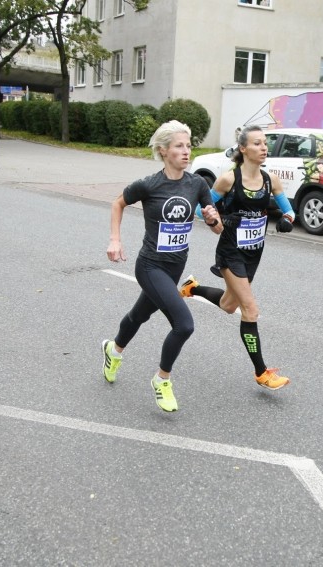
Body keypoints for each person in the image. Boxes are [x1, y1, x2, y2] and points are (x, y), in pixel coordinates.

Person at [102, 120, 223, 412]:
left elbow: (218, 228)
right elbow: (118, 203)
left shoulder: (197, 184)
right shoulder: (149, 184)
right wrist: (115, 240)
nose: (186, 151)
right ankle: (162, 380)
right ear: (163, 150)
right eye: (179, 146)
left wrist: (212, 219)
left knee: (139, 315)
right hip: (150, 266)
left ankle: (113, 350)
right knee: (184, 325)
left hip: (174, 267)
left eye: (189, 145)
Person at [179, 125, 295, 391]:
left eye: (265, 143)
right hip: (230, 252)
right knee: (250, 310)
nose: (263, 148)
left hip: (254, 253)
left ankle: (192, 288)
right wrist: (221, 218)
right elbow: (201, 211)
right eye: (257, 143)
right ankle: (261, 372)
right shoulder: (228, 179)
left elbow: (290, 212)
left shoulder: (270, 180)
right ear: (243, 149)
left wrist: (288, 220)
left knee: (229, 305)